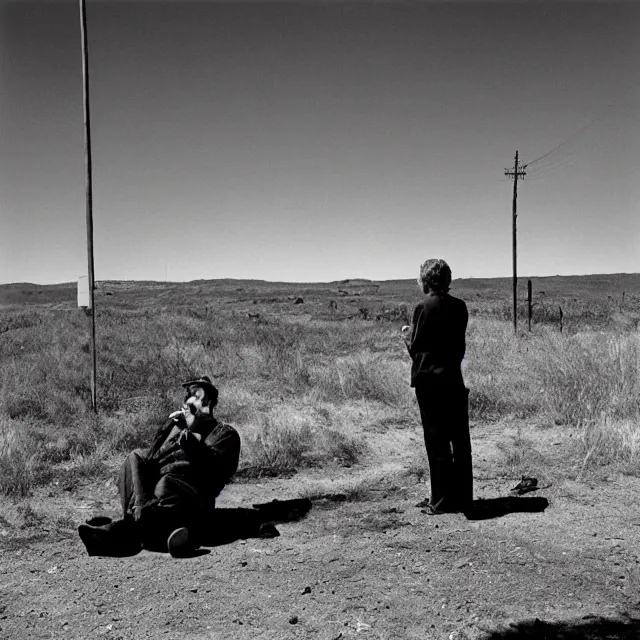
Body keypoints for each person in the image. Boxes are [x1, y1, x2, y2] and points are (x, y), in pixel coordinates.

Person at [78, 376, 241, 557]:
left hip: (190, 500)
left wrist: (193, 444)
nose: (188, 401)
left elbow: (216, 477)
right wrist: (167, 430)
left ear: (209, 401)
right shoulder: (175, 428)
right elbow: (151, 458)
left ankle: (126, 532)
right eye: (186, 396)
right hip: (155, 498)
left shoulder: (224, 433)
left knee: (167, 483)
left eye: (196, 395)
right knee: (134, 458)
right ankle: (153, 527)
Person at [403, 259, 473, 515]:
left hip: (430, 382)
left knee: (437, 442)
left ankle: (441, 501)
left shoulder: (423, 307)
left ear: (425, 280)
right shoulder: (460, 307)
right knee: (460, 440)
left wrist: (407, 337)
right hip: (453, 378)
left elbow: (418, 349)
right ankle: (465, 497)